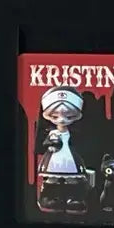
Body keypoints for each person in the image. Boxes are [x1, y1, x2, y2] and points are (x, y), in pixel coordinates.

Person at [36, 87, 89, 215]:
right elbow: (44, 144)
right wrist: (51, 143)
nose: (61, 120)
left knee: (72, 179)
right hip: (54, 160)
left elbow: (80, 144)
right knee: (53, 179)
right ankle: (51, 197)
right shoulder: (51, 133)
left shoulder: (74, 133)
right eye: (55, 116)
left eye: (68, 116)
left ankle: (74, 199)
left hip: (69, 158)